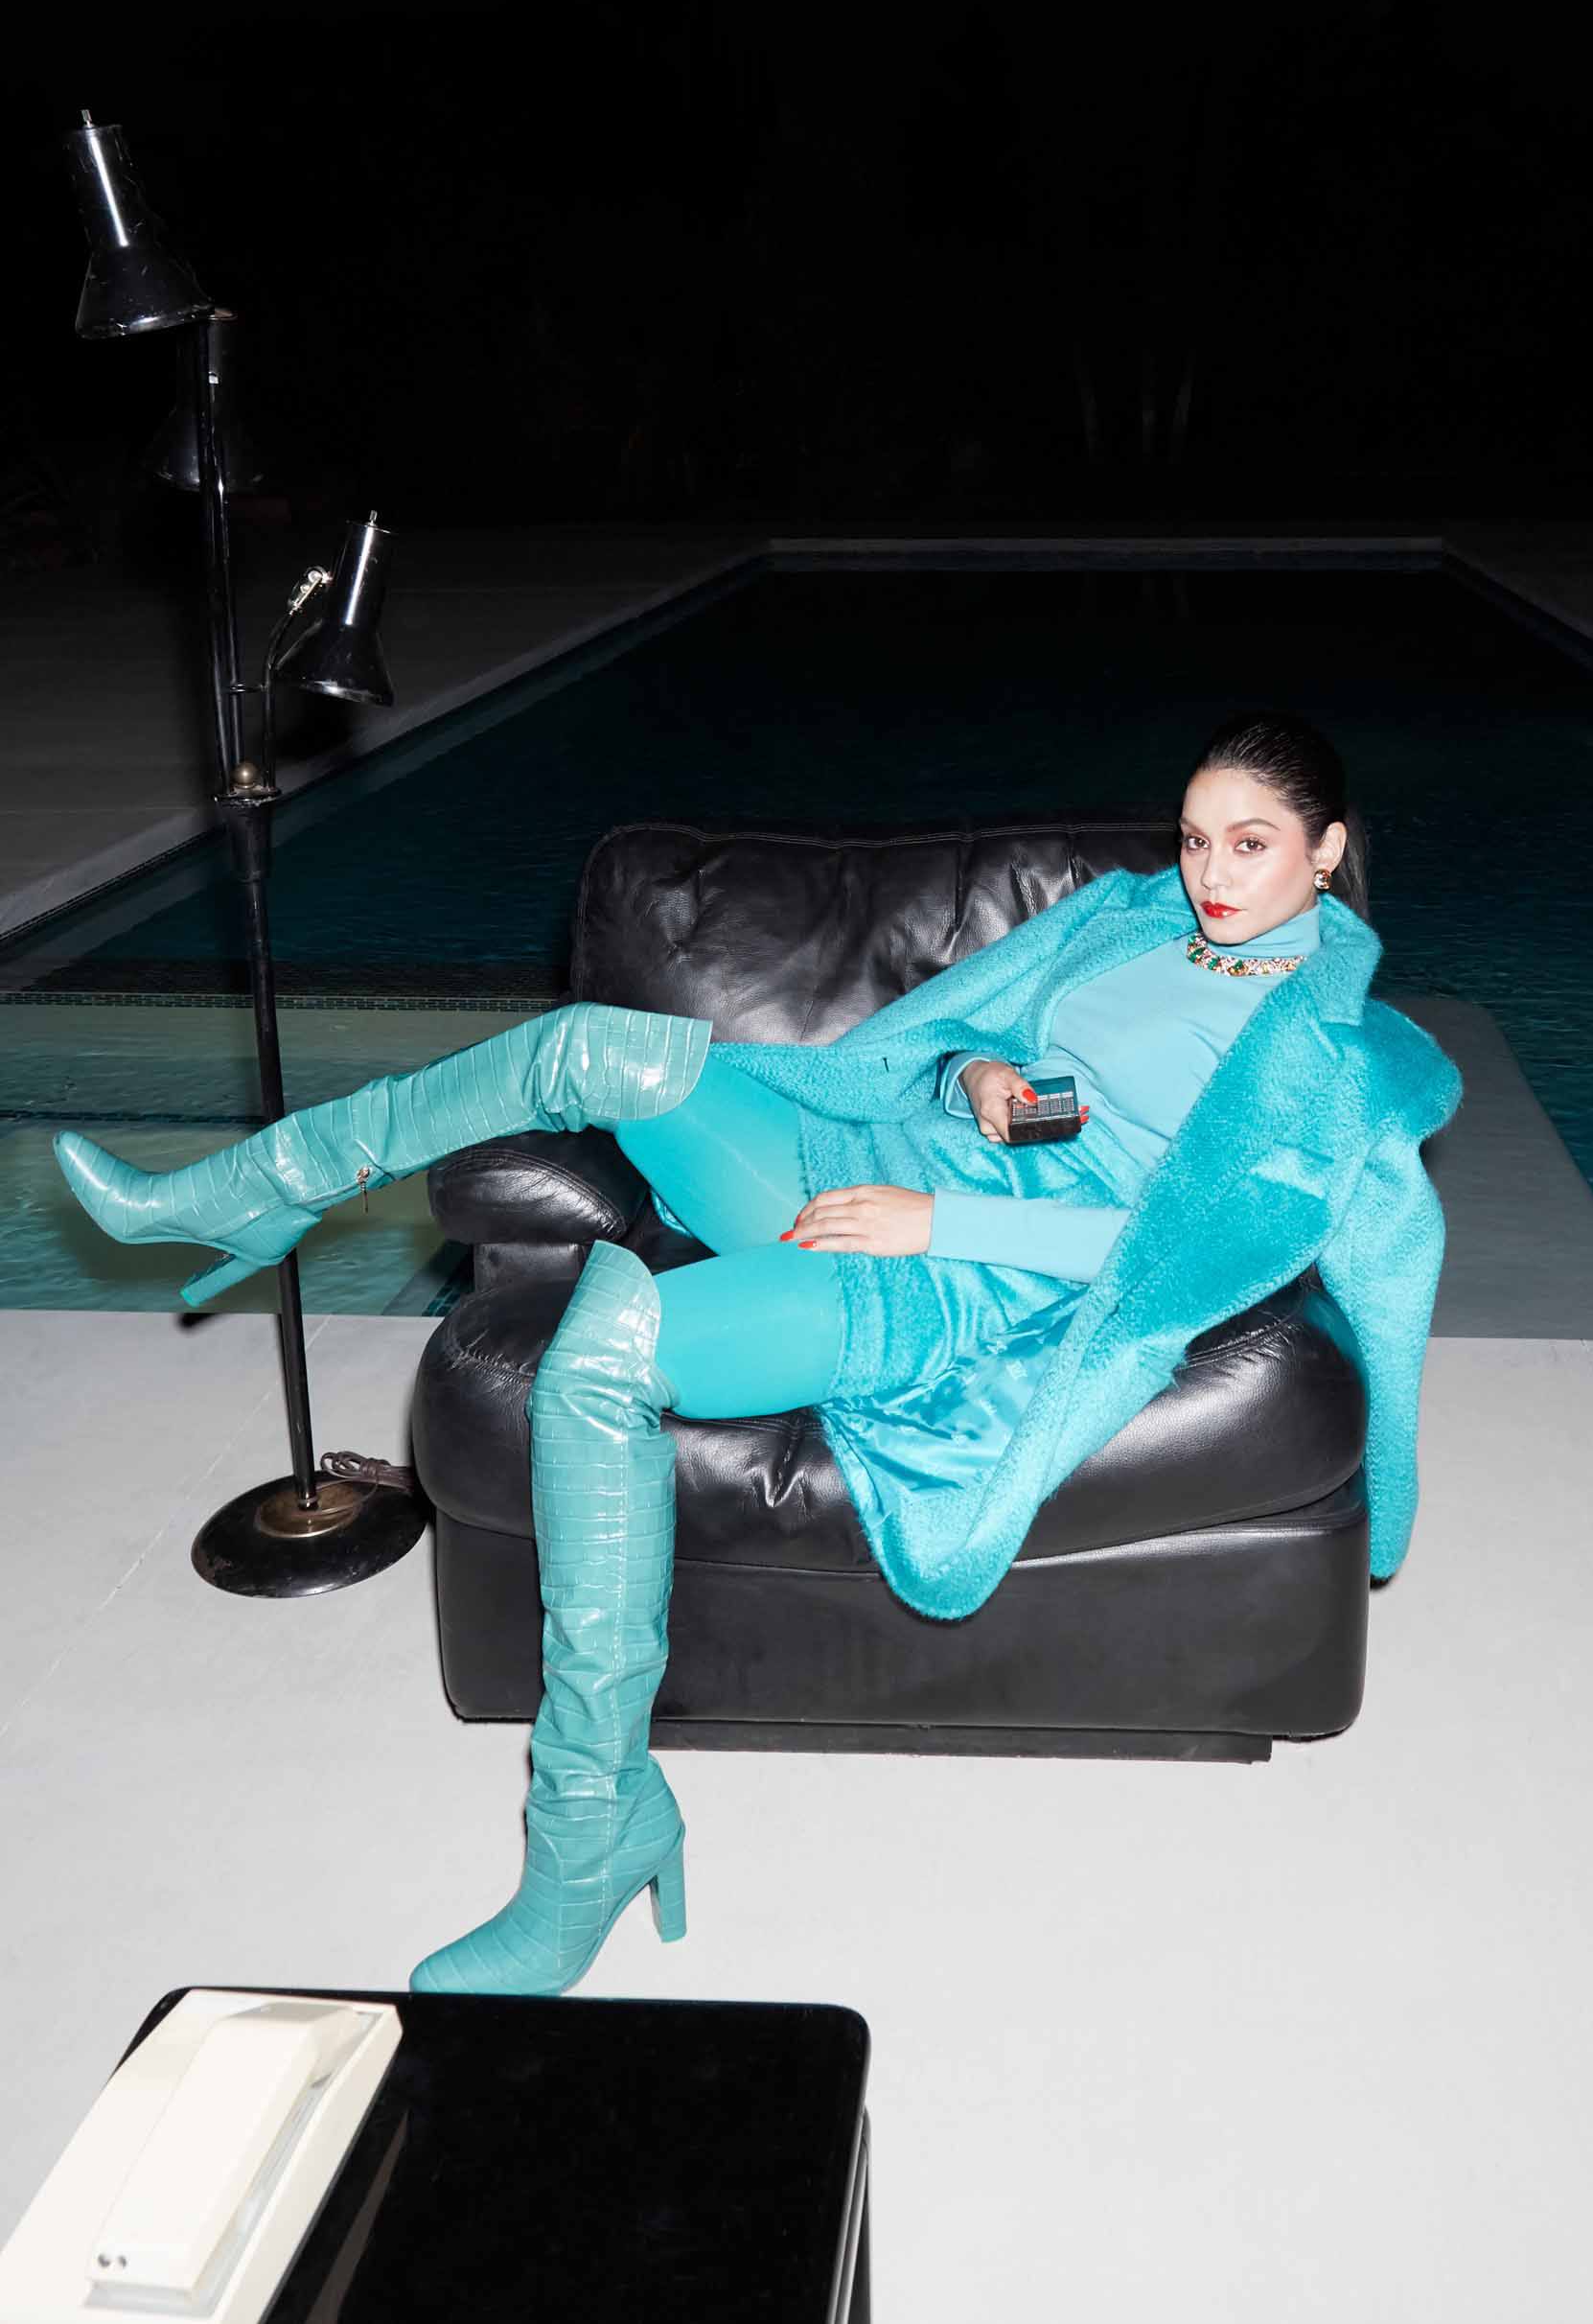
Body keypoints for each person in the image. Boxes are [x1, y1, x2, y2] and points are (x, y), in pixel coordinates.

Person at [53, 711, 1462, 1997]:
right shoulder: (1133, 920)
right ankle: (263, 1186)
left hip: (963, 1274)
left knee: (599, 1360)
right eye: (1198, 838)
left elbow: (1186, 1251)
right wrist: (976, 1072)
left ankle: (592, 1829)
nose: (1211, 872)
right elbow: (978, 1031)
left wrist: (938, 1221)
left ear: (1327, 852)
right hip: (880, 1156)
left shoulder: (1330, 1054)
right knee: (590, 1048)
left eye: (1252, 845)